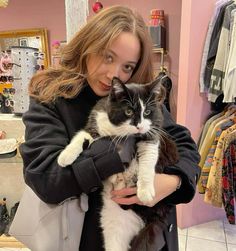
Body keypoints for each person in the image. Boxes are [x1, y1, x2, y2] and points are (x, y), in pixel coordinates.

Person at [20, 5, 200, 251]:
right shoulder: (51, 96)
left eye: (127, 66)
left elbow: (186, 146)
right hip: (85, 240)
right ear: (88, 45)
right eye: (107, 56)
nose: (113, 74)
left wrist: (172, 181)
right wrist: (114, 152)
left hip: (150, 237)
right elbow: (45, 177)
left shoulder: (137, 95)